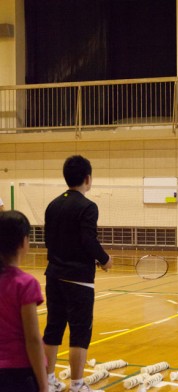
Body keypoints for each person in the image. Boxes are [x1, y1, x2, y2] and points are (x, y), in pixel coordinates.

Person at [43, 155, 112, 392]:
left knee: (53, 328)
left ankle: (48, 379)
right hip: (79, 280)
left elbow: (47, 241)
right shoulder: (87, 206)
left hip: (53, 276)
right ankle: (77, 384)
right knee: (80, 332)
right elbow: (87, 239)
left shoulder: (52, 205)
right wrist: (105, 259)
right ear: (87, 178)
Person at [0, 210, 48, 392]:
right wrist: (44, 385)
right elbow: (33, 339)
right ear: (23, 242)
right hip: (18, 373)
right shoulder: (25, 284)